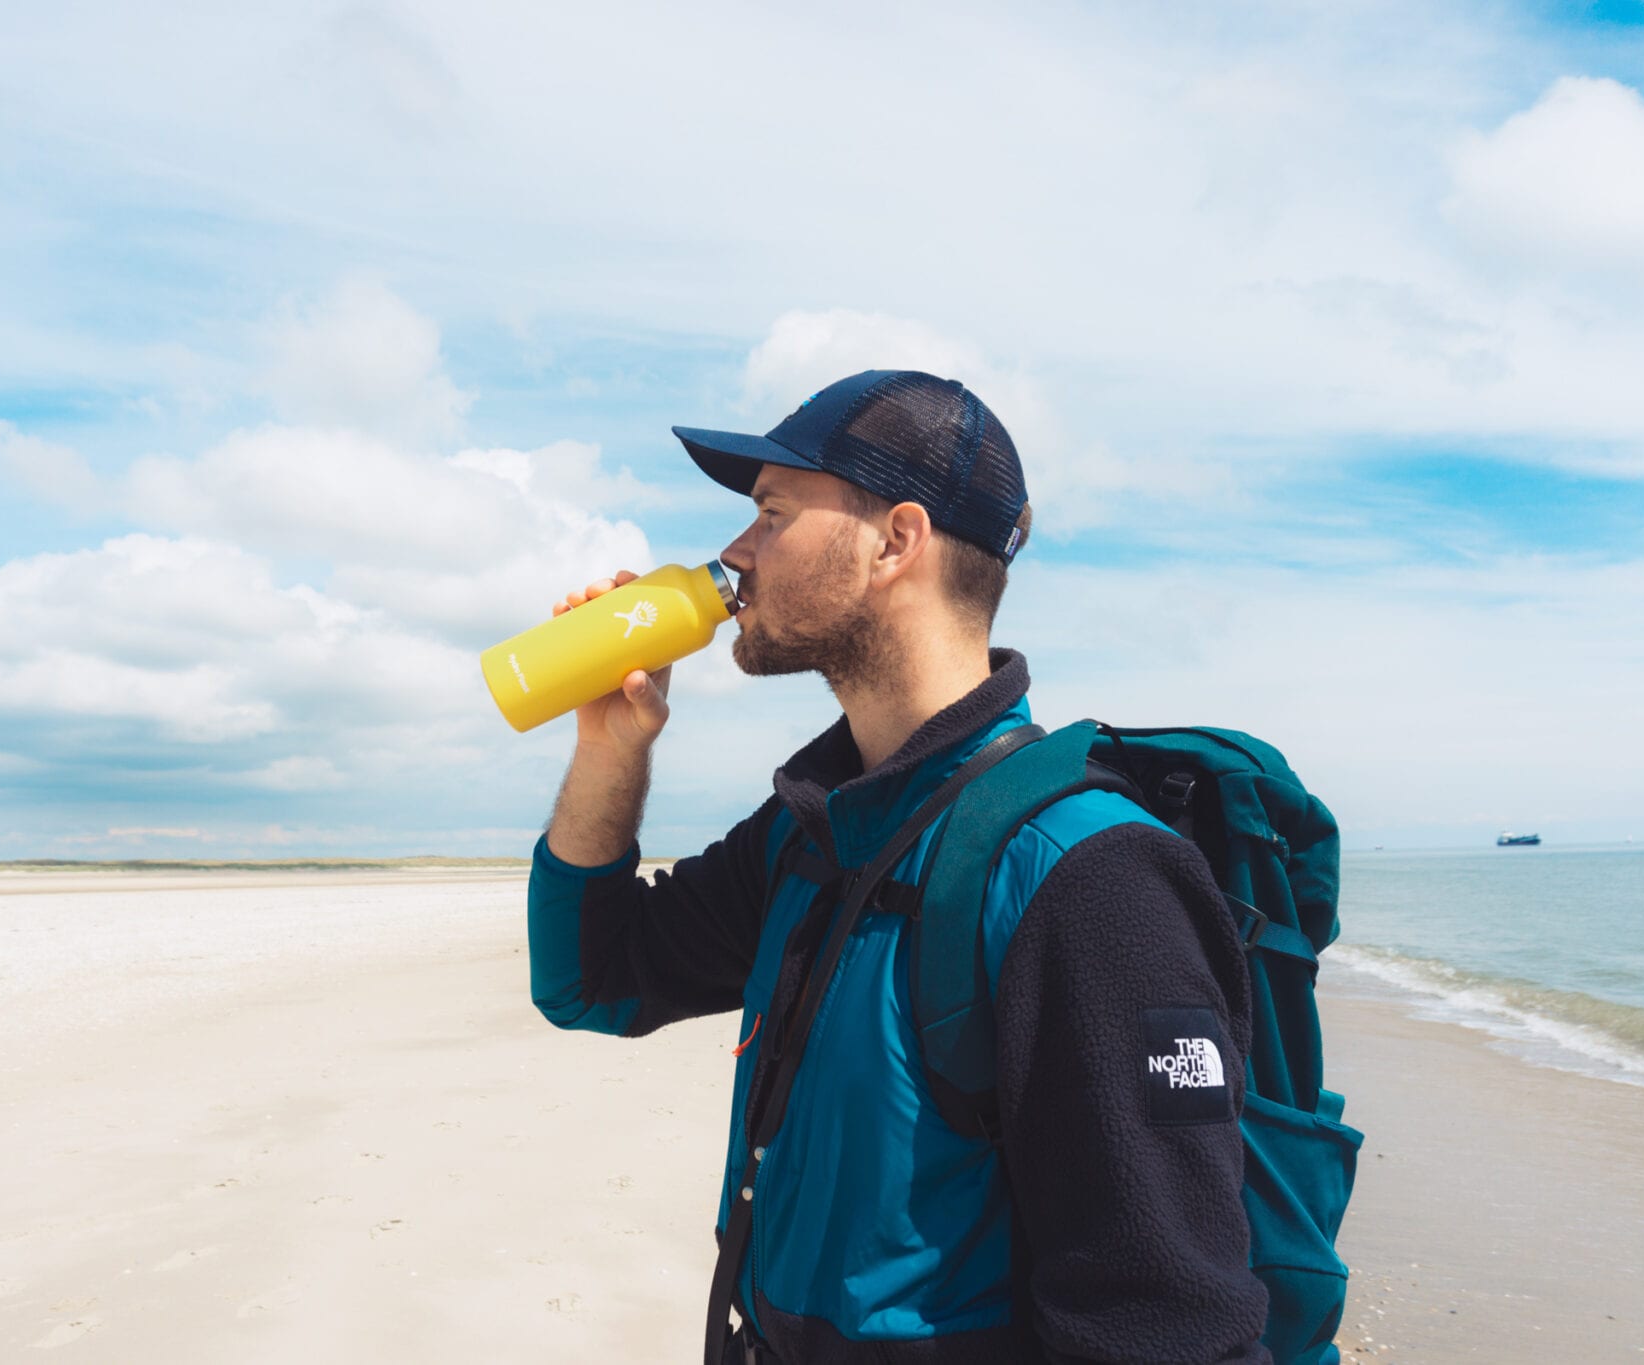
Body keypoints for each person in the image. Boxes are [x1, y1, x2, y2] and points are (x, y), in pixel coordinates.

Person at [526, 370, 1268, 1364]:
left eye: (770, 514)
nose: (733, 556)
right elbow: (591, 979)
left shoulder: (1091, 874)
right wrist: (610, 749)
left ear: (895, 540)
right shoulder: (816, 830)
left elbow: (1164, 1321)